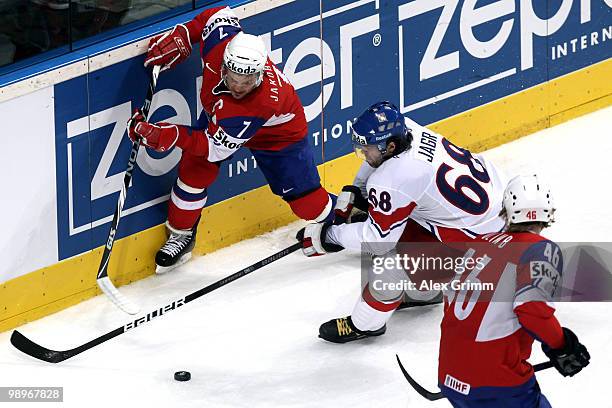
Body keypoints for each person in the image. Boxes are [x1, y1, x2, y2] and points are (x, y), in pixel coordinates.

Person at [128, 6, 335, 273]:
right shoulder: (221, 43)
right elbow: (214, 14)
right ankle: (181, 235)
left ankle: (341, 217)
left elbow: (212, 147)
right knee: (194, 170)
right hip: (222, 118)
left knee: (306, 203)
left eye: (247, 80)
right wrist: (184, 34)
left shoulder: (257, 104)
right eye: (234, 76)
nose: (238, 86)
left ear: (259, 74)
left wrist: (168, 135)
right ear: (225, 63)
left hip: (278, 135)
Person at [296, 101, 508, 343]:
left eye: (367, 150)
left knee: (387, 265)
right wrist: (357, 189)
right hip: (496, 211)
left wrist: (330, 237)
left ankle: (365, 324)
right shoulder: (410, 129)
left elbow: (376, 239)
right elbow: (379, 167)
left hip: (484, 253)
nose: (363, 155)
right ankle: (424, 292)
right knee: (397, 219)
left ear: (391, 145)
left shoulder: (395, 178)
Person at [437, 174, 590, 407]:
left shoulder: (480, 242)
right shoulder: (540, 249)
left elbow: (453, 305)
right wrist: (562, 345)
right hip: (498, 382)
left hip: (450, 376)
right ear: (547, 213)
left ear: (507, 212)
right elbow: (531, 310)